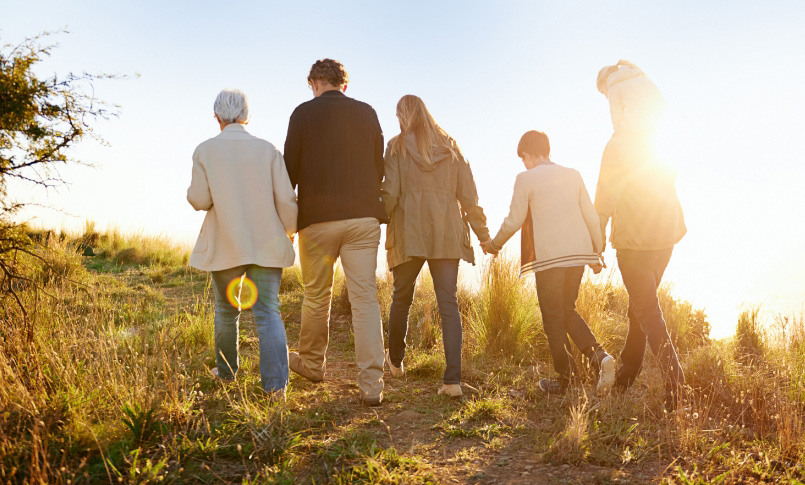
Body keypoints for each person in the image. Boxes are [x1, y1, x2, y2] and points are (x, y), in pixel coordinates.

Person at [284, 59, 387, 406]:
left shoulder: (302, 114)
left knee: (316, 296)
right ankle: (372, 384)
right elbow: (379, 165)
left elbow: (289, 173)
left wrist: (287, 223)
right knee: (365, 299)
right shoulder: (367, 112)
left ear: (313, 82)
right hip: (362, 219)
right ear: (345, 85)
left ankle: (312, 365)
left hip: (317, 221)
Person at [481, 131, 616, 395]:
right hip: (577, 254)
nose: (524, 164)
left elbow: (515, 218)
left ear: (528, 154)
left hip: (551, 257)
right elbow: (590, 214)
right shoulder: (573, 174)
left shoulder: (525, 178)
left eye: (524, 158)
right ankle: (600, 358)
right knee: (567, 310)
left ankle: (567, 381)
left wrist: (494, 244)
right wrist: (596, 252)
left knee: (553, 319)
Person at [187, 88, 297, 401]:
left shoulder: (205, 150)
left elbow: (199, 199)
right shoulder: (268, 149)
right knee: (268, 313)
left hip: (226, 244)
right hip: (266, 244)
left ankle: (227, 373)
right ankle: (276, 388)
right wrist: (290, 231)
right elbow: (286, 199)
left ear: (217, 117)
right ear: (246, 115)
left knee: (226, 310)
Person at [381, 95, 490, 397]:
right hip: (446, 232)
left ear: (404, 115)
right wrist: (483, 234)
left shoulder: (397, 146)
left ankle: (396, 362)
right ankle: (452, 381)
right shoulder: (451, 147)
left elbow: (390, 193)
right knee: (448, 304)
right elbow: (469, 198)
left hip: (409, 230)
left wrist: (375, 216)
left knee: (401, 298)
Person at [595, 60, 687, 410]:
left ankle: (677, 385)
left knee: (647, 311)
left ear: (619, 100)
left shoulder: (618, 144)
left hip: (634, 241)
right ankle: (627, 375)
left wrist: (596, 241)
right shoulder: (660, 134)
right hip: (665, 236)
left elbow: (603, 199)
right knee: (640, 308)